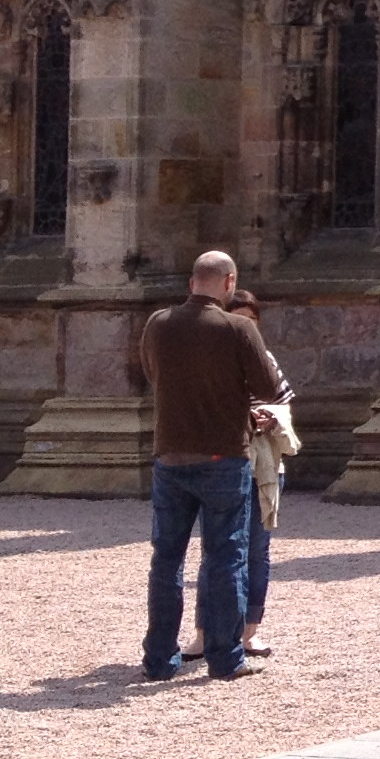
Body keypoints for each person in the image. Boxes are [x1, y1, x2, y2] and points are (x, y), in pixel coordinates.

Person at [132, 250, 286, 681]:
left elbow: (152, 372)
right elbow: (269, 387)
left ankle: (159, 659)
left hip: (170, 455)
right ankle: (224, 658)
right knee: (225, 557)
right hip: (222, 456)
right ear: (230, 282)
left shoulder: (158, 324)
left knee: (166, 560)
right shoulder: (237, 328)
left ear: (191, 282)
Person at [179, 288, 293, 665]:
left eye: (252, 320)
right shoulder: (211, 360)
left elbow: (283, 403)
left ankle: (249, 631)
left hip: (264, 463)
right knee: (218, 549)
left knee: (257, 550)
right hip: (225, 461)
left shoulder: (265, 358)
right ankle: (204, 633)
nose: (246, 326)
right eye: (238, 318)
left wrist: (270, 417)